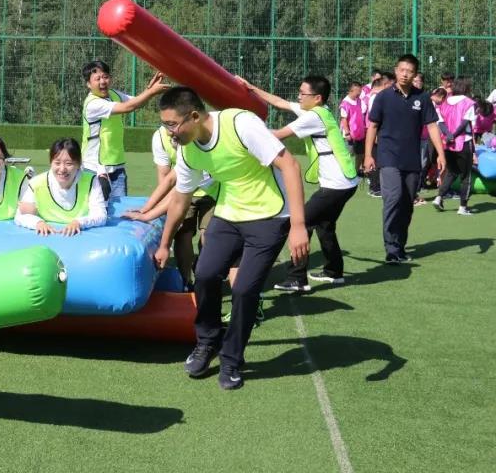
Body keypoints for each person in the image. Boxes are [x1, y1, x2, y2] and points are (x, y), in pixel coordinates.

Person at [153, 87, 308, 391]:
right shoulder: (187, 149)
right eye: (165, 125)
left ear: (194, 116)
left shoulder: (241, 124)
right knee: (205, 274)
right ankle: (207, 342)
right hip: (228, 215)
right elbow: (180, 200)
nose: (169, 132)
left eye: (172, 124)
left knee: (244, 290)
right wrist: (164, 243)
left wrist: (298, 225)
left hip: (269, 216)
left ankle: (232, 359)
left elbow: (290, 165)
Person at [241, 75, 359, 291]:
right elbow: (280, 102)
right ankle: (334, 272)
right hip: (346, 183)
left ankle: (297, 279)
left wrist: (243, 131)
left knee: (300, 223)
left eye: (303, 93)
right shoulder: (317, 111)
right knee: (325, 225)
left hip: (336, 185)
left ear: (317, 98)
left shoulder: (313, 117)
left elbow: (278, 135)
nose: (298, 96)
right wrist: (251, 88)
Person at [364, 55, 446, 264]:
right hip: (388, 157)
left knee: (407, 204)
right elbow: (372, 126)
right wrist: (368, 155)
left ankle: (399, 246)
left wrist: (441, 154)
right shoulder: (383, 97)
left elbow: (432, 126)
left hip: (412, 160)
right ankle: (391, 249)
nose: (405, 74)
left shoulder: (423, 98)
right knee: (393, 198)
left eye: (409, 71)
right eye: (402, 70)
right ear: (396, 70)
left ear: (415, 74)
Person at [123, 124, 219, 288]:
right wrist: (147, 207)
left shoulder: (198, 151)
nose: (170, 133)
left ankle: (203, 275)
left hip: (217, 193)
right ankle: (186, 282)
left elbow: (177, 193)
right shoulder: (179, 151)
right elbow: (168, 180)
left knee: (209, 237)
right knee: (182, 234)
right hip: (188, 190)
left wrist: (148, 215)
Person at [80, 61, 170, 201]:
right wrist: (151, 91)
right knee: (96, 207)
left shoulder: (113, 94)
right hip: (94, 167)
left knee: (120, 208)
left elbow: (136, 102)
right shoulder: (93, 104)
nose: (103, 81)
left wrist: (149, 89)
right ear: (88, 84)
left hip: (117, 166)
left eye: (105, 77)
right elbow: (128, 107)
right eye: (97, 79)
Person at [16, 138, 108, 235]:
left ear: (79, 164)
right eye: (57, 163)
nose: (62, 169)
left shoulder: (92, 181)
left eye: (69, 163)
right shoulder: (35, 184)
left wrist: (78, 222)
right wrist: (38, 223)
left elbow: (100, 215)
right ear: (51, 163)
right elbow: (20, 216)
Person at [433, 78, 477, 215]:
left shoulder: (444, 102)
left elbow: (440, 122)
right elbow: (465, 123)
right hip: (464, 143)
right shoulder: (468, 102)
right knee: (466, 176)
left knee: (452, 172)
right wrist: (454, 135)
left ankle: (439, 197)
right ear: (466, 88)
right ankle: (463, 207)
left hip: (448, 144)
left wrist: (448, 135)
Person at [340, 81, 366, 174]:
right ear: (351, 91)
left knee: (360, 154)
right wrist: (347, 133)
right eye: (358, 91)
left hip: (360, 133)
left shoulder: (359, 101)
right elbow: (343, 119)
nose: (359, 93)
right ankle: (345, 172)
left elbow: (364, 112)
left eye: (360, 91)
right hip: (349, 134)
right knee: (348, 154)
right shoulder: (345, 103)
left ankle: (356, 171)